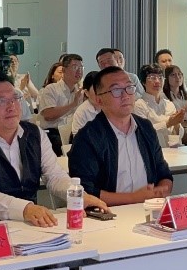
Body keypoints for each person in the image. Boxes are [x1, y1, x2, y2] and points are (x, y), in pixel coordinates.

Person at [0, 74, 109, 226]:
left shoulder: (35, 134)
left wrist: (78, 195)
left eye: (15, 98)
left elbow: (54, 176)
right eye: (1, 101)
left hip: (30, 227)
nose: (11, 106)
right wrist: (25, 209)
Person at [68, 66, 174, 205]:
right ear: (99, 100)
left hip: (150, 208)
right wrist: (134, 198)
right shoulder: (88, 137)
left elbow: (164, 173)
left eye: (129, 88)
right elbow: (86, 191)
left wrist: (161, 191)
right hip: (107, 212)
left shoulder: (145, 128)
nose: (125, 95)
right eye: (116, 90)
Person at [38, 54, 85, 150]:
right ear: (64, 70)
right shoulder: (51, 89)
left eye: (81, 67)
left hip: (74, 132)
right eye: (75, 67)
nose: (79, 71)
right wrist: (73, 105)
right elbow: (48, 115)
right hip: (53, 132)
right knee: (56, 141)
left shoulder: (81, 92)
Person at [135, 64, 187, 137]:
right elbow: (143, 132)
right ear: (143, 82)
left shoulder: (169, 104)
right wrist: (168, 123)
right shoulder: (139, 105)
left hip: (172, 144)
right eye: (152, 78)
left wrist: (176, 122)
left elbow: (179, 135)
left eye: (160, 77)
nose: (157, 81)